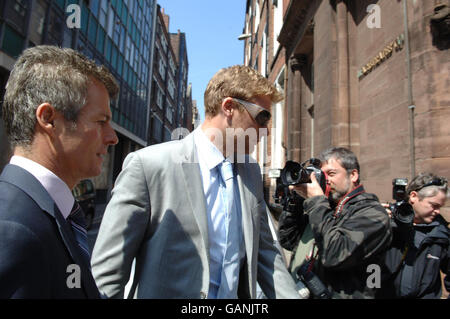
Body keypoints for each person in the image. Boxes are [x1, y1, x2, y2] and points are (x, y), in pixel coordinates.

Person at [91, 65, 301, 299]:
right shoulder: (149, 166)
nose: (266, 131)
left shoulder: (250, 172)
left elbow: (265, 253)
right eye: (262, 117)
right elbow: (108, 275)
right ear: (229, 107)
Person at [0, 45, 119, 298]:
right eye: (101, 122)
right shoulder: (12, 229)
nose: (112, 138)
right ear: (49, 119)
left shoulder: (51, 213)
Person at [278, 147, 392, 298]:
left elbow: (335, 253)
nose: (327, 181)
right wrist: (295, 203)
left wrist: (316, 201)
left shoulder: (373, 213)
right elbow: (289, 241)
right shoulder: (326, 208)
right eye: (322, 176)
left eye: (331, 174)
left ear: (353, 175)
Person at [377, 173, 449, 299]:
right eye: (434, 205)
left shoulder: (441, 234)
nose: (437, 211)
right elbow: (368, 267)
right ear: (414, 197)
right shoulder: (386, 225)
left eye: (440, 207)